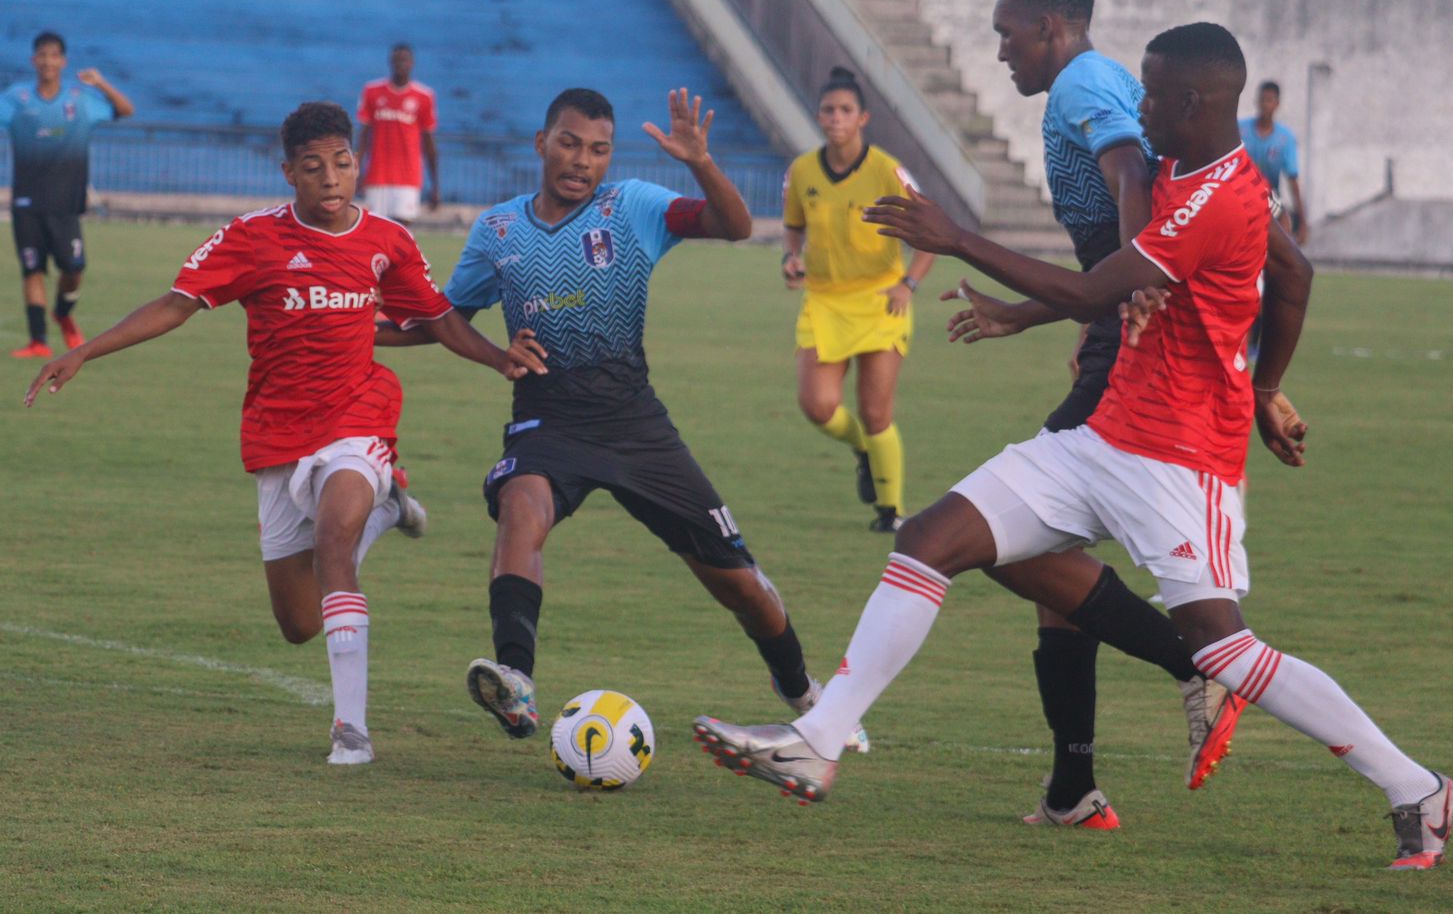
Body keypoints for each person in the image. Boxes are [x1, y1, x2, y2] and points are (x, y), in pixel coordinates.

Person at [693, 23, 1453, 871]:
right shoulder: (1177, 165)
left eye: (1149, 92)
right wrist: (1264, 385)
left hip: (1181, 464)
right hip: (1105, 438)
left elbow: (1114, 285)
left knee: (1223, 650)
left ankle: (1417, 787)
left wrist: (956, 239)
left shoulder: (1225, 198)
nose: (1136, 106)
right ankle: (819, 738)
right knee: (931, 539)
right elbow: (1285, 276)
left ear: (1190, 102)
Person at [25, 102, 543, 766]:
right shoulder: (251, 239)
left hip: (359, 415)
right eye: (313, 167)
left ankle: (350, 731)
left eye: (342, 162)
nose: (331, 178)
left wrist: (500, 357)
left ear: (357, 164)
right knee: (300, 623)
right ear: (289, 173)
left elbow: (438, 320)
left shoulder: (388, 240)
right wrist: (85, 351)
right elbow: (177, 303)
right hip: (278, 431)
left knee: (333, 538)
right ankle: (387, 512)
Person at [377, 87, 867, 752]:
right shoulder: (498, 230)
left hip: (637, 426)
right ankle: (515, 676)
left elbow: (735, 225)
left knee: (739, 586)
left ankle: (803, 693)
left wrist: (700, 162)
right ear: (542, 144)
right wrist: (350, 326)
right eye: (570, 143)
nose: (583, 160)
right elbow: (440, 320)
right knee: (522, 505)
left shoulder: (633, 205)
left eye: (599, 149)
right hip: (547, 420)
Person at [949, 0, 1250, 828]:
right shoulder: (1107, 76)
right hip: (1116, 333)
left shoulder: (1080, 86)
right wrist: (1025, 312)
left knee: (1003, 539)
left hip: (1129, 346)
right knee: (1050, 570)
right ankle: (1071, 788)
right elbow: (1107, 259)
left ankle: (1193, 661)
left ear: (1050, 25)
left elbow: (1129, 179)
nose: (1001, 51)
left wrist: (1137, 280)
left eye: (1007, 33)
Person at [782, 67, 935, 532]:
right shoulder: (803, 170)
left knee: (875, 411)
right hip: (825, 301)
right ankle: (863, 449)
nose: (835, 118)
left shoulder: (887, 170)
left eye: (845, 110)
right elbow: (793, 228)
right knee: (818, 406)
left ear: (863, 117)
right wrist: (791, 259)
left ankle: (891, 513)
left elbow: (931, 232)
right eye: (828, 110)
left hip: (880, 301)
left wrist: (907, 284)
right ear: (818, 116)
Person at [2, 31, 134, 358]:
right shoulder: (17, 99)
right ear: (34, 60)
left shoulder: (80, 100)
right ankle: (38, 341)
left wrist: (100, 83)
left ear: (63, 61)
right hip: (26, 201)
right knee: (32, 270)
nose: (47, 61)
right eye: (42, 55)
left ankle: (62, 314)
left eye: (53, 55)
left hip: (65, 204)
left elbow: (125, 110)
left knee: (74, 269)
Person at [356, 43, 439, 226]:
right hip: (377, 175)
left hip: (408, 176)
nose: (401, 64)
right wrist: (357, 170)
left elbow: (429, 143)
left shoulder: (424, 96)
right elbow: (363, 137)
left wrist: (435, 185)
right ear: (390, 62)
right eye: (397, 60)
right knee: (375, 229)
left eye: (405, 60)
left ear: (412, 63)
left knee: (402, 230)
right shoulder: (372, 91)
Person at [1240, 81, 1306, 244]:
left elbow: (1292, 179)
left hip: (1269, 195)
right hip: (1240, 194)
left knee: (1283, 228)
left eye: (1269, 100)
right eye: (1262, 100)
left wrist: (1302, 220)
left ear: (1277, 104)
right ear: (1257, 102)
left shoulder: (1285, 138)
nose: (1265, 105)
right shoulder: (1240, 129)